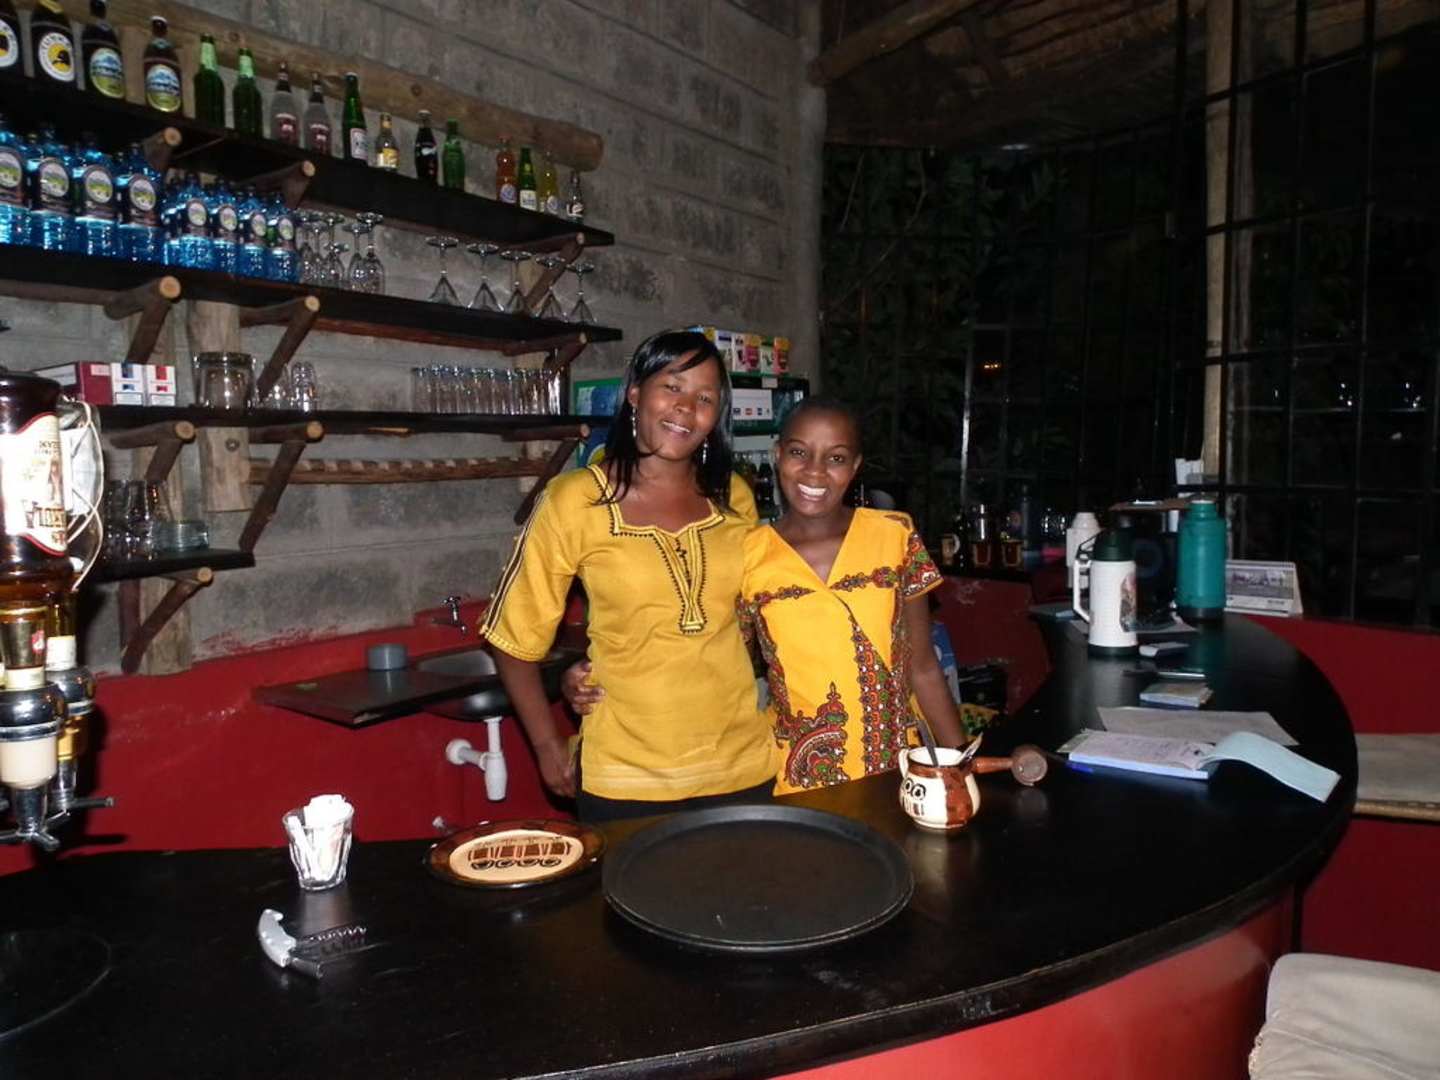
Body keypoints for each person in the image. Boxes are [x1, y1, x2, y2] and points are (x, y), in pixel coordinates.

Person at [569, 396, 968, 795]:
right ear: (778, 455)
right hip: (796, 781)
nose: (815, 471)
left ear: (855, 466)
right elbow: (707, 653)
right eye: (799, 452)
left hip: (901, 773)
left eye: (836, 458)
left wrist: (963, 769)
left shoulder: (895, 534)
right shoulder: (749, 553)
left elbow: (924, 668)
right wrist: (591, 674)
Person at [480, 330, 775, 823]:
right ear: (636, 393)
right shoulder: (575, 500)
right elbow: (512, 637)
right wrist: (548, 744)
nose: (686, 408)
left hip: (741, 767)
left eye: (705, 398)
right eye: (672, 387)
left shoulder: (734, 498)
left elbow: (754, 622)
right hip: (627, 777)